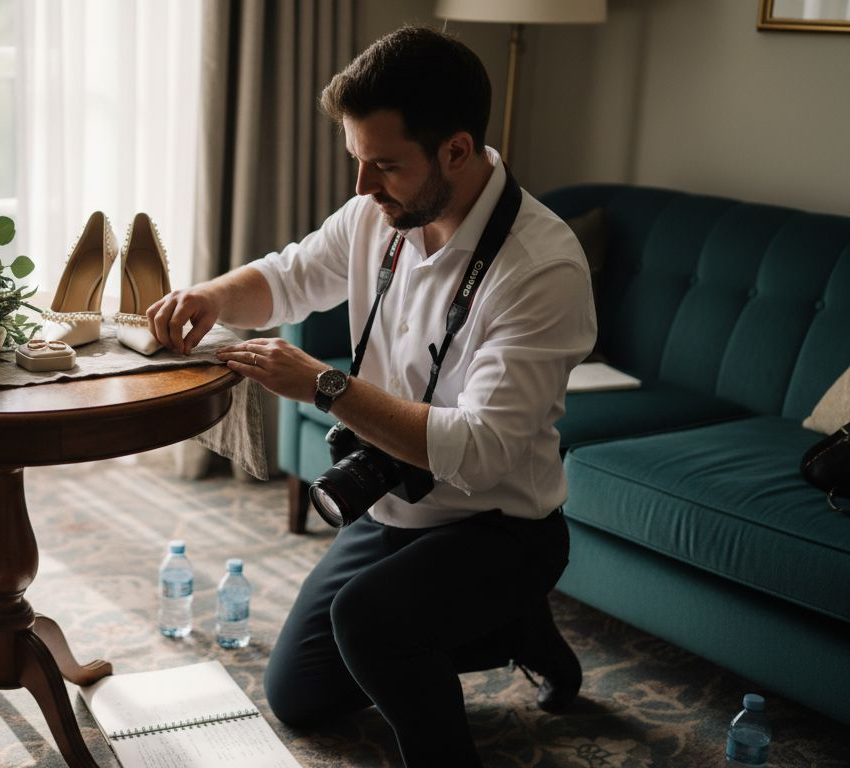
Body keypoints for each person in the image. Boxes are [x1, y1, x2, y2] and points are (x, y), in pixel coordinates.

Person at [144, 25, 596, 768]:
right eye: (357, 161)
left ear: (457, 149)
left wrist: (326, 386)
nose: (362, 187)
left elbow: (480, 454)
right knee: (301, 696)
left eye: (384, 165)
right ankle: (515, 631)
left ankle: (483, 668)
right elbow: (286, 276)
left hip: (501, 525)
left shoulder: (541, 267)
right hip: (394, 507)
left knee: (373, 624)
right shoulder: (375, 217)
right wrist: (208, 294)